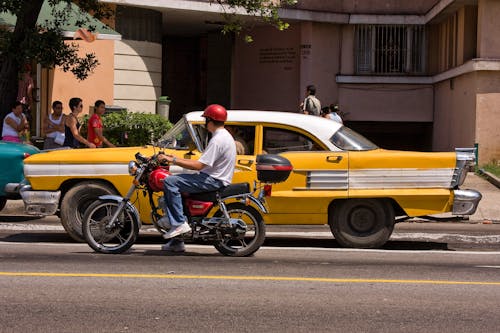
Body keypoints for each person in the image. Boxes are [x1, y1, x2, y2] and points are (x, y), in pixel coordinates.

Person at [156, 104, 237, 252]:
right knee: (178, 186)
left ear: (210, 120)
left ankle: (179, 223)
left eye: (206, 119)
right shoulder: (223, 136)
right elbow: (203, 164)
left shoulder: (218, 140)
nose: (205, 123)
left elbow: (199, 165)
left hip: (213, 180)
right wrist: (176, 158)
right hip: (213, 177)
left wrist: (172, 160)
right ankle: (177, 243)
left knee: (170, 181)